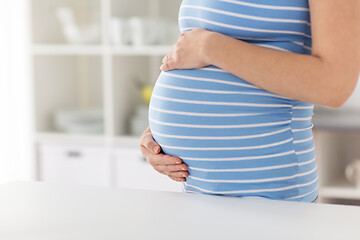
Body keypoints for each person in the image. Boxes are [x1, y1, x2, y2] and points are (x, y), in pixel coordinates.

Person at [140, 0, 360, 202]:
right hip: (198, 187)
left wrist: (208, 46)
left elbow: (334, 84)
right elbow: (192, 51)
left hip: (269, 193)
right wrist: (158, 135)